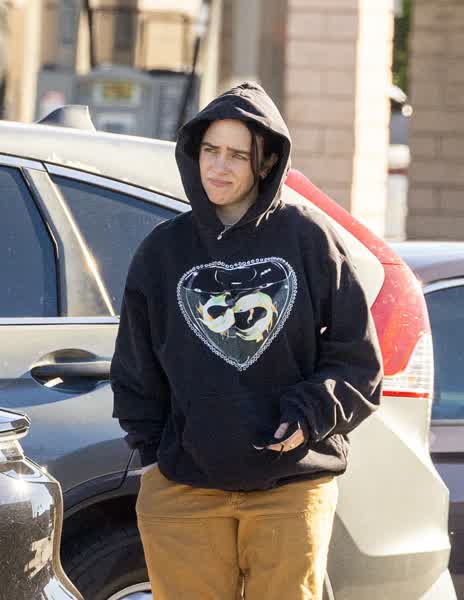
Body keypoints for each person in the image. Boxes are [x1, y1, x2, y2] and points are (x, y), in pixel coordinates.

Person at [110, 81, 383, 600]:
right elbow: (135, 366)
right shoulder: (163, 251)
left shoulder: (308, 238)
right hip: (184, 489)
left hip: (290, 487)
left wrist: (308, 416)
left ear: (267, 162)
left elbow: (358, 362)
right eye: (210, 150)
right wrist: (151, 460)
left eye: (238, 155)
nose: (219, 166)